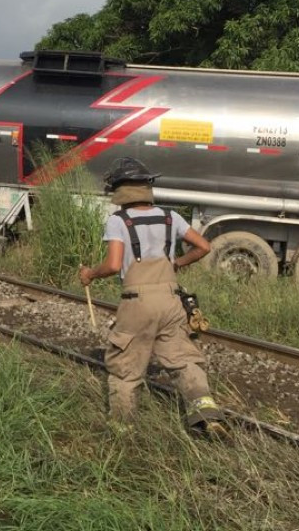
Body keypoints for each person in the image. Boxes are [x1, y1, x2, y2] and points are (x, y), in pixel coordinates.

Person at [78, 158, 226, 436]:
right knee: (183, 359)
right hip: (172, 299)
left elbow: (112, 265)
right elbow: (204, 246)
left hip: (138, 302)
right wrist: (179, 263)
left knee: (126, 366)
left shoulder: (118, 221)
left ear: (119, 191)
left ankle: (122, 428)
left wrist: (89, 274)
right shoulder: (171, 217)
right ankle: (207, 414)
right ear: (147, 186)